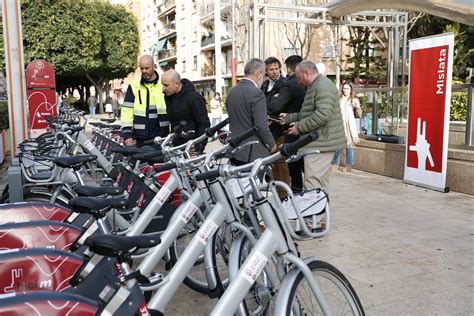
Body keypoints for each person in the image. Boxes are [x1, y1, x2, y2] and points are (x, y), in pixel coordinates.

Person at [279, 60, 345, 192]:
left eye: (298, 78)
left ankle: (314, 213)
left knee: (312, 185)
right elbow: (309, 113)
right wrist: (290, 118)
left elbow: (322, 115)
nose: (298, 82)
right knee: (320, 185)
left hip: (321, 144)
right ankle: (321, 212)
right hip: (320, 143)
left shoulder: (322, 87)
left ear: (307, 73)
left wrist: (299, 127)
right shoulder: (316, 86)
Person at [226, 58, 276, 166]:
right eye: (264, 75)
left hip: (234, 149)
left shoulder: (232, 91)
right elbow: (261, 126)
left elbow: (238, 118)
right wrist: (272, 144)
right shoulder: (257, 93)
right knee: (255, 183)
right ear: (258, 74)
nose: (263, 79)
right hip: (252, 151)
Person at [268, 55, 306, 192]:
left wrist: (274, 99)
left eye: (277, 68)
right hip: (305, 130)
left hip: (289, 131)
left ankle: (295, 198)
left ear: (288, 69)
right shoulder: (307, 83)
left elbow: (275, 107)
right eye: (271, 69)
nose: (275, 71)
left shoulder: (289, 84)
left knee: (293, 169)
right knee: (302, 169)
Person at [121, 55, 169, 147]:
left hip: (162, 137)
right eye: (141, 68)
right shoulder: (134, 85)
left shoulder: (163, 84)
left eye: (147, 68)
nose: (144, 71)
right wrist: (127, 133)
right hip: (140, 138)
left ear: (154, 66)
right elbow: (127, 110)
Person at [161, 69, 210, 153]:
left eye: (166, 85)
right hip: (175, 146)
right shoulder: (168, 97)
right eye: (162, 85)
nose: (163, 88)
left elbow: (204, 124)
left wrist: (199, 146)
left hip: (192, 147)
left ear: (177, 83)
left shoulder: (194, 98)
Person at [331, 81, 361, 172]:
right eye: (344, 88)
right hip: (339, 124)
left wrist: (357, 107)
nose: (345, 90)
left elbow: (359, 115)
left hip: (349, 126)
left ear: (351, 89)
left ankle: (349, 165)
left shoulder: (354, 100)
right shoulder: (338, 98)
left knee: (348, 146)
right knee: (337, 145)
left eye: (347, 88)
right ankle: (335, 164)